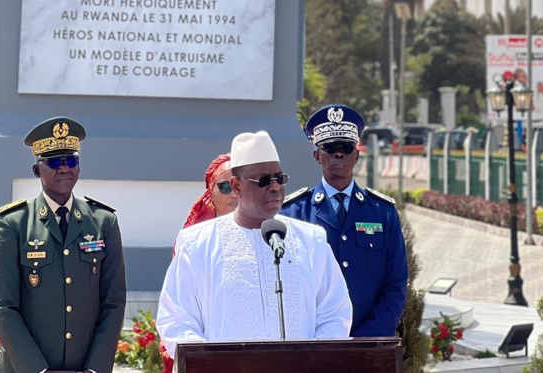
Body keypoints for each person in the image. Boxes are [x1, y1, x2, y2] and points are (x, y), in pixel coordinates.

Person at [156, 130, 352, 357]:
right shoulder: (197, 244)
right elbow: (177, 321)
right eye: (264, 180)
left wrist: (313, 361)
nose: (275, 187)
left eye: (280, 179)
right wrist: (211, 363)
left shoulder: (311, 241)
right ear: (237, 186)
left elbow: (335, 314)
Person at [0, 117, 127, 373]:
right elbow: (2, 306)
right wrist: (37, 370)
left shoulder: (103, 221)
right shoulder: (13, 224)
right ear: (37, 169)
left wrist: (95, 368)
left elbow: (114, 302)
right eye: (53, 161)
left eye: (71, 160)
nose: (64, 168)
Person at [281, 105, 408, 338]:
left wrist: (368, 337)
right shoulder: (293, 213)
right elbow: (285, 284)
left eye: (346, 148)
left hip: (369, 341)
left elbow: (396, 284)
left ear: (357, 155)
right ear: (317, 156)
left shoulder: (383, 212)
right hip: (312, 342)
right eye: (330, 147)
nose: (338, 154)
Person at [159, 153, 238, 373]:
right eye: (224, 187)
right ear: (210, 193)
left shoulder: (270, 236)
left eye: (239, 185)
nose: (234, 194)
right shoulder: (194, 243)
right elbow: (177, 310)